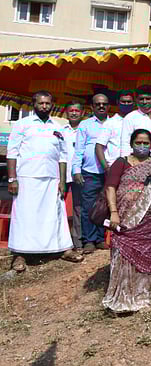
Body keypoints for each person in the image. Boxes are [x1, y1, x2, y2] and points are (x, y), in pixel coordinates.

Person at [7, 91, 83, 272]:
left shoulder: (57, 127)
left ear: (52, 105)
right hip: (26, 177)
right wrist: (12, 178)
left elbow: (63, 156)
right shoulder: (22, 124)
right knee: (24, 216)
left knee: (54, 215)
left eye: (47, 103)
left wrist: (62, 180)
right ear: (34, 104)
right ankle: (20, 254)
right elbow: (12, 152)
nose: (44, 106)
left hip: (52, 178)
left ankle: (63, 249)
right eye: (41, 103)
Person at [102, 129, 151, 313]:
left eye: (146, 143)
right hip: (123, 217)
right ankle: (120, 297)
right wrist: (114, 211)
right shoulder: (121, 163)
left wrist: (144, 203)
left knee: (144, 254)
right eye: (138, 142)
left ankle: (139, 296)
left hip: (147, 220)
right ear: (131, 144)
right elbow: (110, 187)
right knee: (122, 253)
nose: (142, 146)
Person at [74, 93, 115, 254]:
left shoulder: (115, 123)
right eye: (97, 104)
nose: (101, 106)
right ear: (92, 106)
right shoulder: (85, 125)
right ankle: (89, 240)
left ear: (109, 106)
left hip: (110, 172)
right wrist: (76, 170)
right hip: (90, 171)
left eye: (104, 104)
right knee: (88, 207)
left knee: (105, 206)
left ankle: (100, 238)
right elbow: (79, 149)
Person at [61, 102, 83, 253]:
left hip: (79, 173)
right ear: (66, 113)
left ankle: (77, 241)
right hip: (62, 174)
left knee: (78, 208)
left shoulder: (85, 129)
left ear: (82, 113)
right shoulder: (60, 131)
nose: (74, 113)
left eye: (77, 110)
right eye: (71, 111)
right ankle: (59, 240)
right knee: (58, 206)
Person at [119, 86, 151, 158]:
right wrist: (126, 161)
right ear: (137, 100)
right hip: (136, 160)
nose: (144, 102)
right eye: (141, 99)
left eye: (148, 99)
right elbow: (125, 142)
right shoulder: (130, 118)